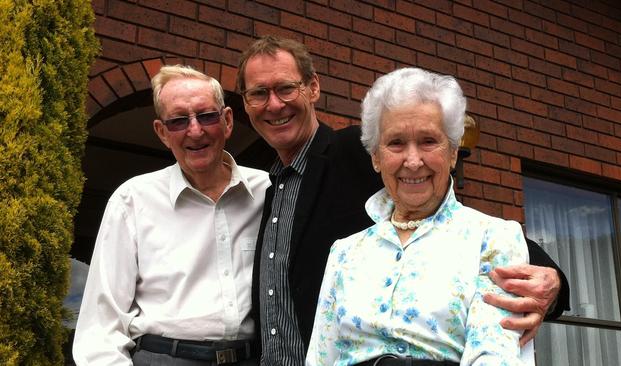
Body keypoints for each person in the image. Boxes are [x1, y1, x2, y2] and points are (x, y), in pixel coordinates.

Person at [235, 35, 569, 366]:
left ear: (313, 88)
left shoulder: (351, 151)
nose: (274, 104)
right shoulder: (268, 183)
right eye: (259, 93)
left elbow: (472, 233)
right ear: (246, 103)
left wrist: (550, 279)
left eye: (286, 88)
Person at [306, 67, 528, 365]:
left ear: (452, 152)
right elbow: (321, 357)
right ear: (376, 157)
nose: (412, 161)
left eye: (428, 141)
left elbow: (494, 356)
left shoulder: (493, 239)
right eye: (396, 143)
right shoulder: (345, 251)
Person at [73, 65, 269, 365]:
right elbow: (102, 323)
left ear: (227, 121)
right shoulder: (133, 200)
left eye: (206, 115)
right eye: (178, 120)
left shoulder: (267, 191)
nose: (195, 130)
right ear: (162, 133)